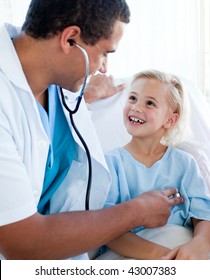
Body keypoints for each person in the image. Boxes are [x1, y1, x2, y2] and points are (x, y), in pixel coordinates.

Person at [0, 1, 182, 260]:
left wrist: (87, 94)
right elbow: (21, 243)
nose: (104, 67)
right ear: (70, 39)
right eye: (105, 53)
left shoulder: (55, 84)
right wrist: (135, 212)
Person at [101, 70, 210, 260]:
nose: (136, 107)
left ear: (170, 120)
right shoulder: (110, 164)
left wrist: (199, 244)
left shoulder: (184, 163)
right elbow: (106, 230)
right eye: (132, 98)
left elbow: (203, 215)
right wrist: (165, 258)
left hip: (180, 248)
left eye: (150, 103)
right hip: (133, 255)